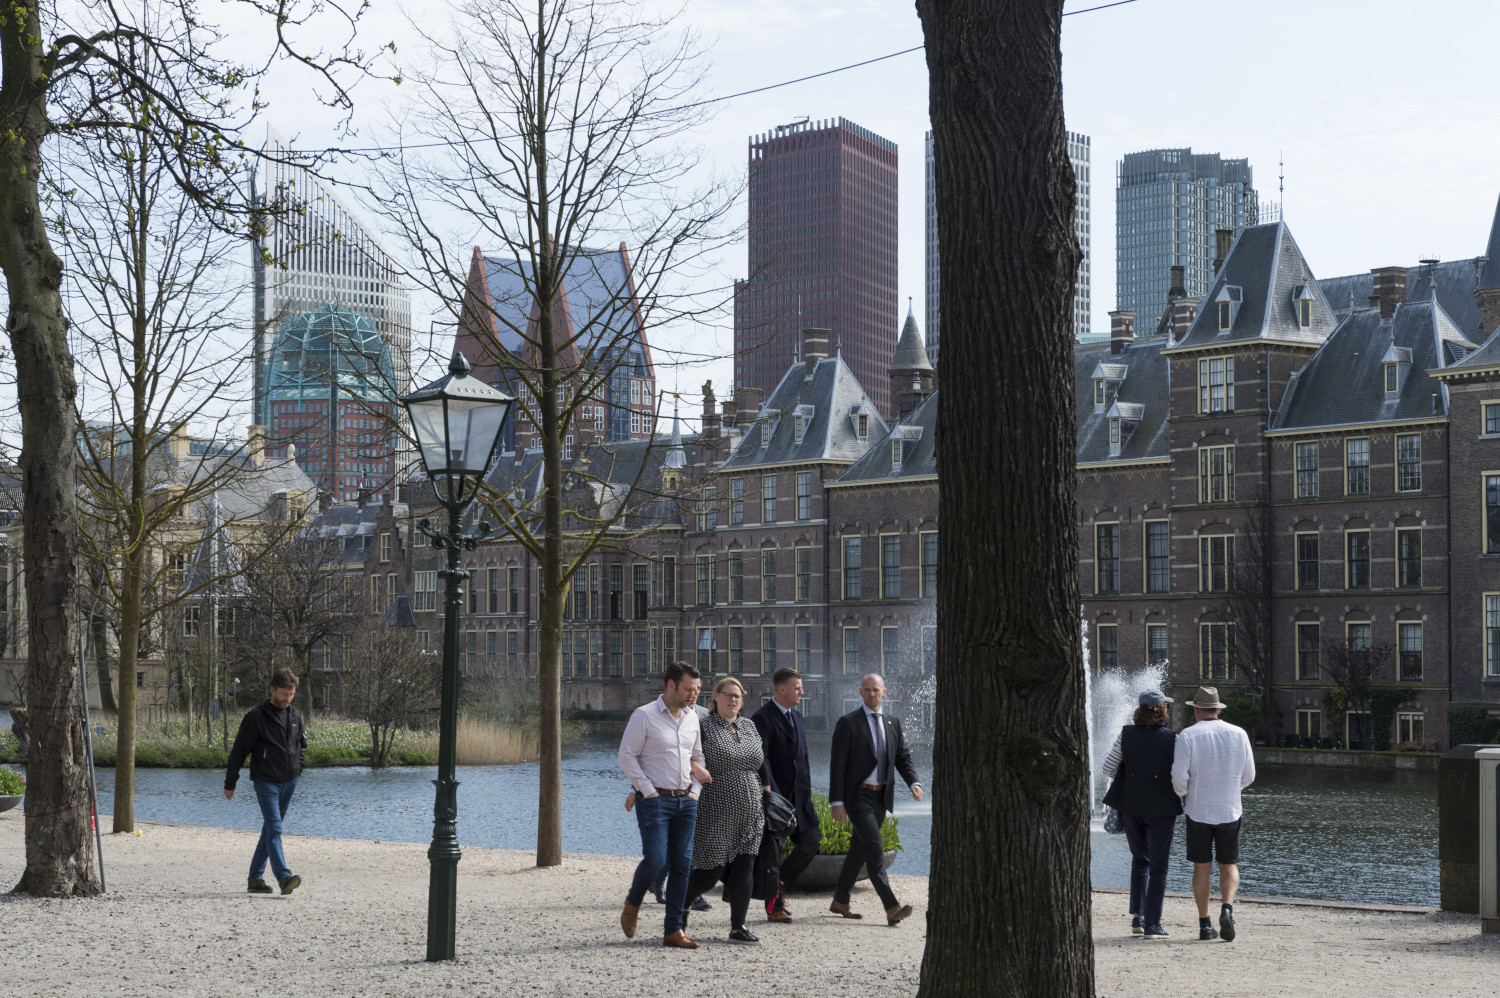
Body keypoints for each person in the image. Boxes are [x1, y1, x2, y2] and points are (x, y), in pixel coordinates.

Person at [618, 662, 706, 948]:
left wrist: (695, 792)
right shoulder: (643, 716)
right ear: (671, 686)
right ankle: (633, 902)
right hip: (655, 800)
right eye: (689, 689)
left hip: (686, 801)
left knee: (682, 866)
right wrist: (647, 791)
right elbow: (627, 756)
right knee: (656, 859)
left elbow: (698, 758)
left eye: (698, 690)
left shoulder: (692, 718)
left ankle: (673, 931)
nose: (694, 695)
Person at [683, 676, 772, 943]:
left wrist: (767, 793)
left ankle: (738, 927)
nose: (733, 700)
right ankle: (681, 905)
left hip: (751, 808)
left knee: (745, 865)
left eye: (737, 696)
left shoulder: (749, 727)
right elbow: (685, 756)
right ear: (716, 697)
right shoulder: (703, 726)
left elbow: (760, 761)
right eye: (728, 695)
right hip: (715, 806)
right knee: (712, 869)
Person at [828, 673, 923, 925]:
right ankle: (891, 907)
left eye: (876, 690)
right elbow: (837, 765)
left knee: (858, 851)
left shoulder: (893, 722)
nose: (872, 694)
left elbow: (902, 757)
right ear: (860, 692)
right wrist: (836, 802)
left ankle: (840, 900)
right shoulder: (848, 723)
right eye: (867, 690)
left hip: (881, 796)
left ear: (885, 692)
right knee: (874, 848)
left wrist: (913, 781)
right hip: (858, 796)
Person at [1171, 686, 1256, 942]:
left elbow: (1178, 777)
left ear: (1196, 710)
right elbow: (1249, 776)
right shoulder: (1239, 734)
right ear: (1218, 710)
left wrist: (1185, 793)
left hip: (1198, 810)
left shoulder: (1187, 736)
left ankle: (1205, 924)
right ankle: (1227, 909)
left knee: (1202, 867)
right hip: (1229, 808)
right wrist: (1230, 787)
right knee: (1229, 865)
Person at [1101, 689, 1182, 940]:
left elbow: (1107, 767)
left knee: (1140, 860)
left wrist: (1132, 781)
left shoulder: (1126, 734)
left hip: (1131, 806)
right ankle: (1153, 925)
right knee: (1159, 867)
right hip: (1162, 808)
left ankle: (1138, 917)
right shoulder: (1173, 739)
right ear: (1162, 711)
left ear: (1139, 709)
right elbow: (1179, 775)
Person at [224, 668, 307, 896]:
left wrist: (298, 769)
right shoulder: (256, 717)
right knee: (275, 828)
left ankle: (254, 880)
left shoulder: (295, 715)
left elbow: (301, 744)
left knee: (269, 830)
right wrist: (230, 782)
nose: (287, 699)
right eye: (283, 694)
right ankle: (283, 877)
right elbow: (239, 751)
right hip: (265, 782)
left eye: (291, 695)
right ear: (272, 690)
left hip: (289, 781)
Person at [751, 667, 816, 922]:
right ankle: (774, 907)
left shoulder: (798, 717)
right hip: (777, 799)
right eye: (798, 688)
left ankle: (778, 886)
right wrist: (773, 795)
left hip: (801, 799)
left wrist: (807, 790)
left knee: (810, 844)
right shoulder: (762, 718)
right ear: (782, 690)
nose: (802, 692)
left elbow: (804, 757)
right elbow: (761, 759)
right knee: (772, 855)